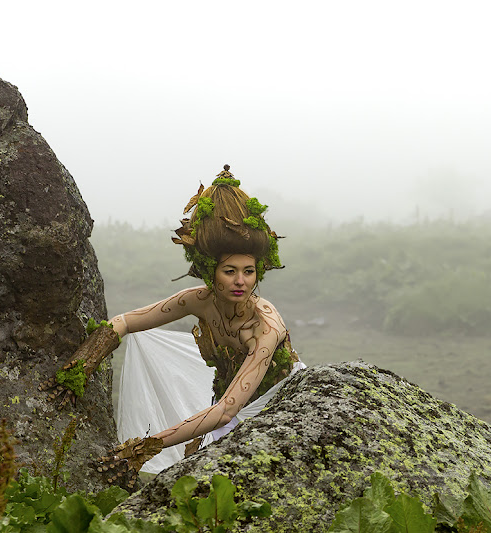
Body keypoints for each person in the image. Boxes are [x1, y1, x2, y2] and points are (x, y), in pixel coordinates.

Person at [39, 165, 301, 486]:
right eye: (230, 270)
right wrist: (78, 369)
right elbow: (124, 322)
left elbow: (226, 412)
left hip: (279, 405)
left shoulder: (266, 326)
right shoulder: (198, 300)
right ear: (210, 271)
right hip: (227, 402)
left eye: (248, 271)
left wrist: (143, 448)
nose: (240, 281)